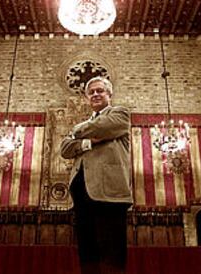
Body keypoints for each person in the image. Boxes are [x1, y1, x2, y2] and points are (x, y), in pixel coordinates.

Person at [60, 76, 133, 274]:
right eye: (91, 92)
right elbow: (65, 149)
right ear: (86, 98)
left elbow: (103, 127)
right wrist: (89, 142)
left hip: (109, 192)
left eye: (100, 90)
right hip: (82, 194)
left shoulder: (120, 114)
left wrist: (76, 131)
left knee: (111, 253)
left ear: (109, 94)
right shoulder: (88, 125)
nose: (95, 94)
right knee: (87, 253)